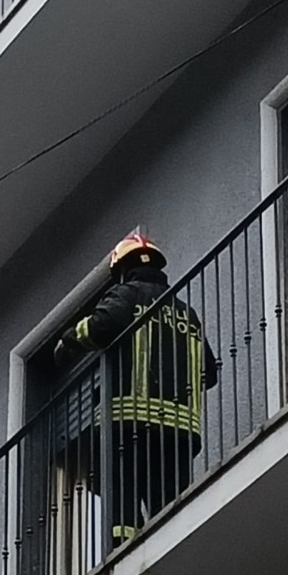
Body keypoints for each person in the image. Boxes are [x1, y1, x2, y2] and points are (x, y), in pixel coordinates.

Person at [54, 234, 218, 545]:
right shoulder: (188, 314)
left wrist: (68, 340)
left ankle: (121, 553)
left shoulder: (127, 294)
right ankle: (172, 545)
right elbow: (209, 374)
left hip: (130, 426)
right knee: (170, 504)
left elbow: (100, 327)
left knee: (123, 496)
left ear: (122, 271)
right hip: (180, 435)